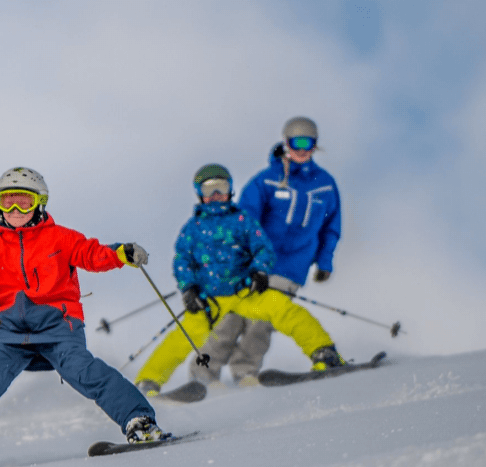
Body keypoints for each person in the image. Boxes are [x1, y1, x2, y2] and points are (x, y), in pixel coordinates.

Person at [0, 166, 165, 467]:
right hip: (11, 334)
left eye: (24, 203)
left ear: (40, 203)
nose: (15, 210)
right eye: (7, 202)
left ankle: (139, 421)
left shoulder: (59, 238)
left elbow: (90, 254)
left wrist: (121, 253)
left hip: (59, 327)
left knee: (85, 371)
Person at [132, 164, 344, 396]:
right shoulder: (193, 228)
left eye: (221, 188)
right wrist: (189, 288)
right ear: (199, 194)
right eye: (208, 190)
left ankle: (324, 353)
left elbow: (263, 248)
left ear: (231, 190)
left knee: (284, 310)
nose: (215, 196)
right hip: (209, 300)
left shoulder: (243, 220)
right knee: (183, 336)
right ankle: (148, 382)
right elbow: (182, 261)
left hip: (244, 293)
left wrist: (259, 272)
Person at [190, 116, 342, 386]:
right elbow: (244, 221)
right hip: (256, 262)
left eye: (309, 143)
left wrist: (324, 262)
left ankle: (245, 372)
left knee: (262, 323)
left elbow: (331, 227)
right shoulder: (267, 180)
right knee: (232, 319)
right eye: (297, 142)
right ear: (286, 142)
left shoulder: (325, 185)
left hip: (292, 266)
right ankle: (202, 376)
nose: (302, 149)